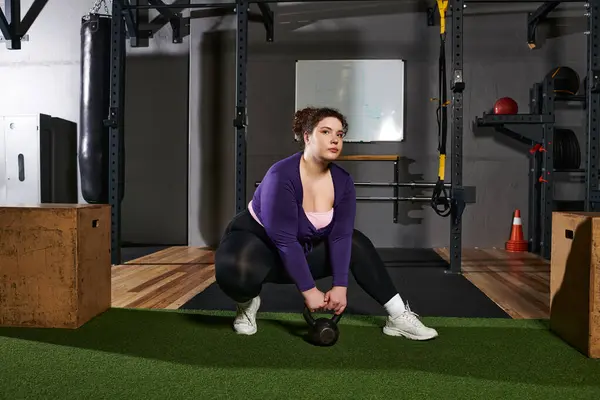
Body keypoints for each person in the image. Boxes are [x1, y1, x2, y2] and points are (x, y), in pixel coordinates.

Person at [214, 106, 438, 341]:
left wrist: (340, 285)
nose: (335, 139)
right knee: (235, 269)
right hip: (259, 248)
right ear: (307, 136)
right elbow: (285, 240)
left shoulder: (343, 181)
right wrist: (309, 290)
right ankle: (247, 304)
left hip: (300, 250)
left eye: (339, 134)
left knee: (356, 243)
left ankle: (398, 316)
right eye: (326, 132)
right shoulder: (280, 176)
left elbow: (340, 236)